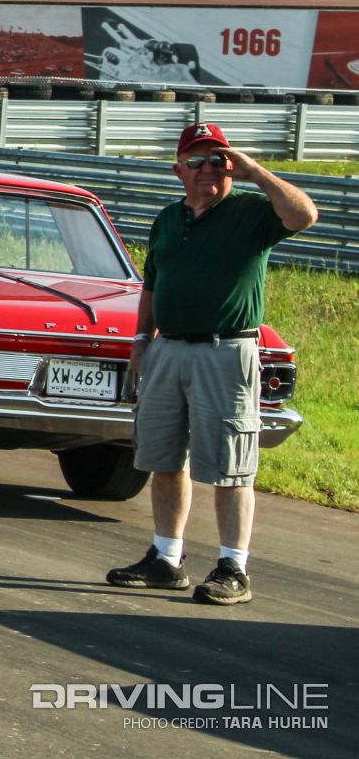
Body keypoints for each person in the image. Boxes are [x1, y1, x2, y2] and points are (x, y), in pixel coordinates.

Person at [105, 123, 317, 606]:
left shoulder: (250, 213)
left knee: (231, 465)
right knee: (163, 458)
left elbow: (304, 215)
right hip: (169, 349)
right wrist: (143, 336)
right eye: (196, 160)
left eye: (218, 160)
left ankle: (233, 567)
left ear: (231, 167)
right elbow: (153, 283)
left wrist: (256, 171)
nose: (207, 170)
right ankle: (165, 558)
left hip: (226, 350)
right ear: (179, 169)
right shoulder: (169, 218)